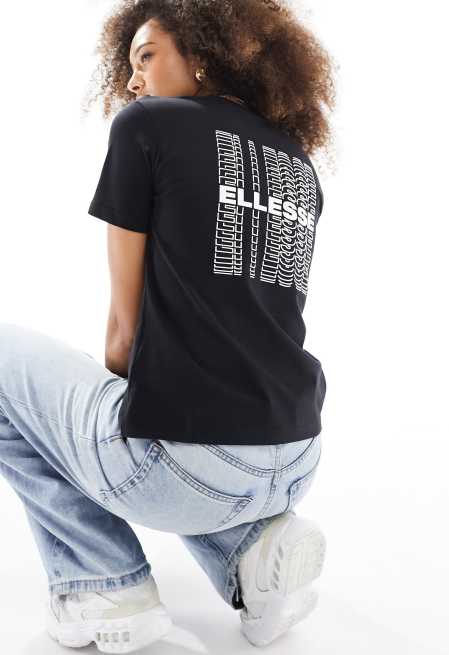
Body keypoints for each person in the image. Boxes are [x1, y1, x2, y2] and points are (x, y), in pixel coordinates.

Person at [0, 0, 337, 652]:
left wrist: (89, 436)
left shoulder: (147, 125)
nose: (132, 81)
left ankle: (104, 583)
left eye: (145, 56)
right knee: (176, 424)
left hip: (189, 467)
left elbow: (123, 338)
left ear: (203, 56)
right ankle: (253, 551)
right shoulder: (297, 163)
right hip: (296, 453)